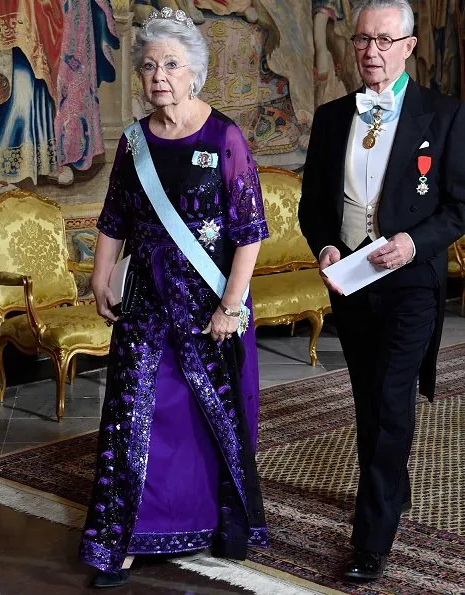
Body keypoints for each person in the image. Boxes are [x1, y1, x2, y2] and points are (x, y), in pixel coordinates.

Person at [79, 7, 269, 588]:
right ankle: (124, 537)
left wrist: (230, 305)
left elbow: (249, 231)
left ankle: (211, 522)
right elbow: (114, 217)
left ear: (195, 75)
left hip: (212, 306)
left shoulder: (224, 137)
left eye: (172, 65)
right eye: (149, 65)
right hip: (146, 302)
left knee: (202, 418)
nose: (159, 75)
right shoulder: (135, 141)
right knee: (133, 418)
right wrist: (100, 274)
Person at [299, 0, 465, 582]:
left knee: (391, 404)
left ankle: (371, 539)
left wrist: (415, 244)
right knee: (369, 401)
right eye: (363, 40)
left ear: (410, 47)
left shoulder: (443, 115)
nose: (372, 52)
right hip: (350, 285)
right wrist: (324, 246)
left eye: (385, 41)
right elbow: (313, 206)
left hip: (411, 285)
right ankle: (394, 485)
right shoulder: (329, 116)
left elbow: (458, 208)